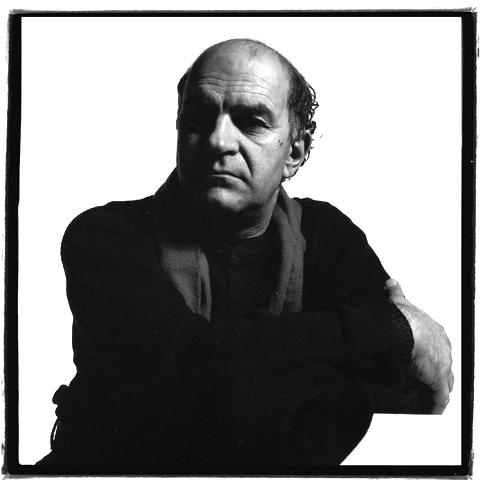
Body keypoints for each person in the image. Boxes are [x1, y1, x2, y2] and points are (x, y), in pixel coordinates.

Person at [38, 38, 453, 467]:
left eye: (251, 122)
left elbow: (400, 393)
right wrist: (396, 328)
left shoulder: (327, 236)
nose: (219, 140)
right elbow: (176, 368)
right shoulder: (106, 236)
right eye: (199, 117)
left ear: (295, 152)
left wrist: (223, 389)